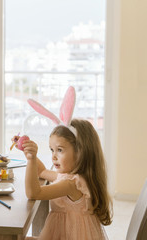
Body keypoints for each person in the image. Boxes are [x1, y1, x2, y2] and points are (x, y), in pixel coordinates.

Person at [15, 87, 112, 240]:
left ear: (81, 151)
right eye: (52, 150)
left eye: (59, 150)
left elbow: (34, 193)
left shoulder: (71, 184)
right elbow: (41, 171)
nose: (54, 157)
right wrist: (28, 151)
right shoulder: (71, 177)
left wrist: (31, 159)